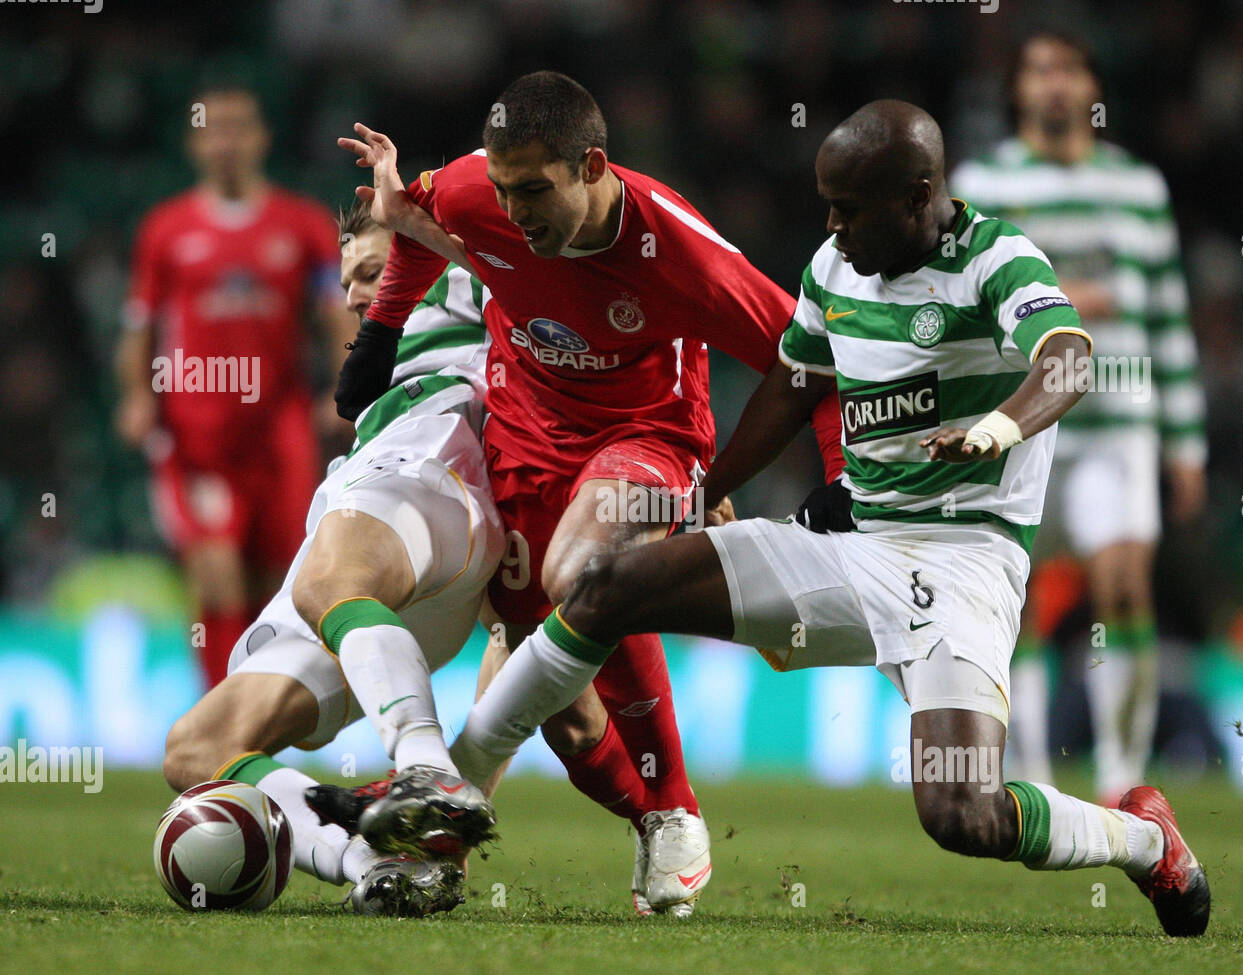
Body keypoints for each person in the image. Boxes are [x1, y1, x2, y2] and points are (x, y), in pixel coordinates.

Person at [443, 101, 1211, 939]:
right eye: (827, 204)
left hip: (961, 565)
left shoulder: (998, 259)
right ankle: (454, 782)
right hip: (851, 550)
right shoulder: (836, 270)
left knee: (961, 810)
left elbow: (1068, 354)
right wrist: (711, 484)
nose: (833, 227)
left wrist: (1001, 426)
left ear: (919, 195)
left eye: (851, 208)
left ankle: (1142, 837)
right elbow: (791, 384)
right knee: (604, 586)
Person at [336, 71, 843, 916]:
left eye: (535, 191)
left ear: (593, 166)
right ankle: (653, 816)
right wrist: (380, 331)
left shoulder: (678, 248)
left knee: (582, 568)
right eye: (504, 191)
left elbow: (808, 359)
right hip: (525, 436)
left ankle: (667, 804)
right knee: (564, 706)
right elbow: (418, 221)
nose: (515, 212)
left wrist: (839, 481)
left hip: (649, 437)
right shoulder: (478, 192)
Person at [163, 197, 503, 917]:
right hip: (364, 509)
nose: (351, 295)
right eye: (347, 279)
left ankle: (423, 767)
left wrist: (409, 198)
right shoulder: (372, 376)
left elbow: (516, 256)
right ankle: (371, 864)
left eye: (373, 271)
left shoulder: (474, 282)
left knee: (327, 579)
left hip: (434, 477)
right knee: (198, 747)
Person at [949, 32, 1206, 801]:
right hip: (1024, 420)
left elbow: (1167, 317)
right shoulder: (983, 180)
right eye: (1038, 72)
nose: (1055, 86)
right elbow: (966, 302)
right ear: (1019, 91)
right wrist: (1058, 298)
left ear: (1091, 82)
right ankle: (1028, 767)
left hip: (1120, 418)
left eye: (1069, 69)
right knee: (1016, 598)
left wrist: (1186, 443)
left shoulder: (1139, 187)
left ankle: (1122, 772)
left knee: (1123, 583)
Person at [116, 85, 357, 691]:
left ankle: (257, 712)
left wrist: (344, 386)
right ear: (194, 143)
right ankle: (219, 717)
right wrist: (137, 396)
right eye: (212, 129)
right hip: (196, 430)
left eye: (238, 128)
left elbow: (336, 312)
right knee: (216, 574)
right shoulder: (165, 230)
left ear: (261, 138)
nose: (226, 141)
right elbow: (139, 326)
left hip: (278, 429)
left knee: (276, 582)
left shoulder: (301, 225)